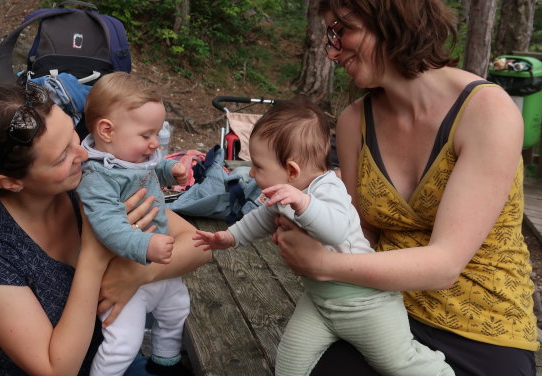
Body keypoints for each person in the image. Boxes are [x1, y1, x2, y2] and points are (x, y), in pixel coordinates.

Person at [274, 0, 539, 376]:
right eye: (330, 34)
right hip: (381, 308)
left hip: (482, 323)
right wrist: (308, 215)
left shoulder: (486, 110)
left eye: (343, 31)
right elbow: (360, 231)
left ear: (392, 17)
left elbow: (444, 264)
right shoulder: (353, 122)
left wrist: (323, 264)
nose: (331, 50)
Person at [0, 79, 209, 376]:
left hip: (111, 358)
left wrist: (133, 274)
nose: (82, 155)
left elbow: (198, 245)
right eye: (61, 157)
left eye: (73, 136)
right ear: (11, 182)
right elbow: (57, 369)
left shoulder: (87, 182)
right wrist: (95, 255)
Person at [193, 96, 454, 376]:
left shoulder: (327, 189)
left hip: (367, 305)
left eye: (257, 166)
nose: (252, 173)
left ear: (292, 170)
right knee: (289, 362)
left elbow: (336, 230)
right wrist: (229, 237)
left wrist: (304, 204)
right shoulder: (284, 192)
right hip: (318, 303)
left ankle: (440, 371)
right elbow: (261, 219)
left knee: (397, 363)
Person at [76, 72, 192, 376]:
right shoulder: (97, 177)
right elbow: (107, 226)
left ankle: (165, 363)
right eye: (146, 135)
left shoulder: (130, 156)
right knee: (123, 342)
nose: (155, 143)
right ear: (107, 131)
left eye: (157, 134)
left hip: (157, 267)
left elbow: (149, 170)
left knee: (177, 309)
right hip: (126, 271)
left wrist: (170, 170)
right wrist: (145, 244)